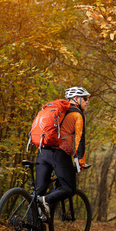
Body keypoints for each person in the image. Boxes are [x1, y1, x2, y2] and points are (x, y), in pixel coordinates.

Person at [36, 86, 91, 219]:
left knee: (38, 193)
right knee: (69, 188)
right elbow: (79, 140)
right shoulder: (78, 114)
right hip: (59, 154)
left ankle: (31, 228)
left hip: (42, 152)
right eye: (85, 98)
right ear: (76, 99)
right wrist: (81, 162)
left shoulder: (55, 112)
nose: (87, 102)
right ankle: (47, 201)